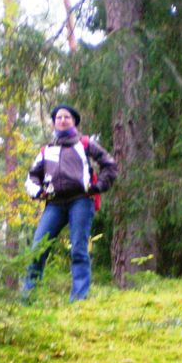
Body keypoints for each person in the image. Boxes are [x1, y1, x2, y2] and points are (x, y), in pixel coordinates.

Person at [23, 104, 117, 301]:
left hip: (81, 201)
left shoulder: (84, 144)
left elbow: (109, 164)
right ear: (54, 122)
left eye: (67, 117)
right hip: (54, 203)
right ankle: (28, 297)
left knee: (79, 249)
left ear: (74, 121)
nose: (62, 120)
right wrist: (38, 192)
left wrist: (98, 186)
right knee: (38, 248)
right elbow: (32, 177)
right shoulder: (46, 150)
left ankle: (79, 298)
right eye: (58, 117)